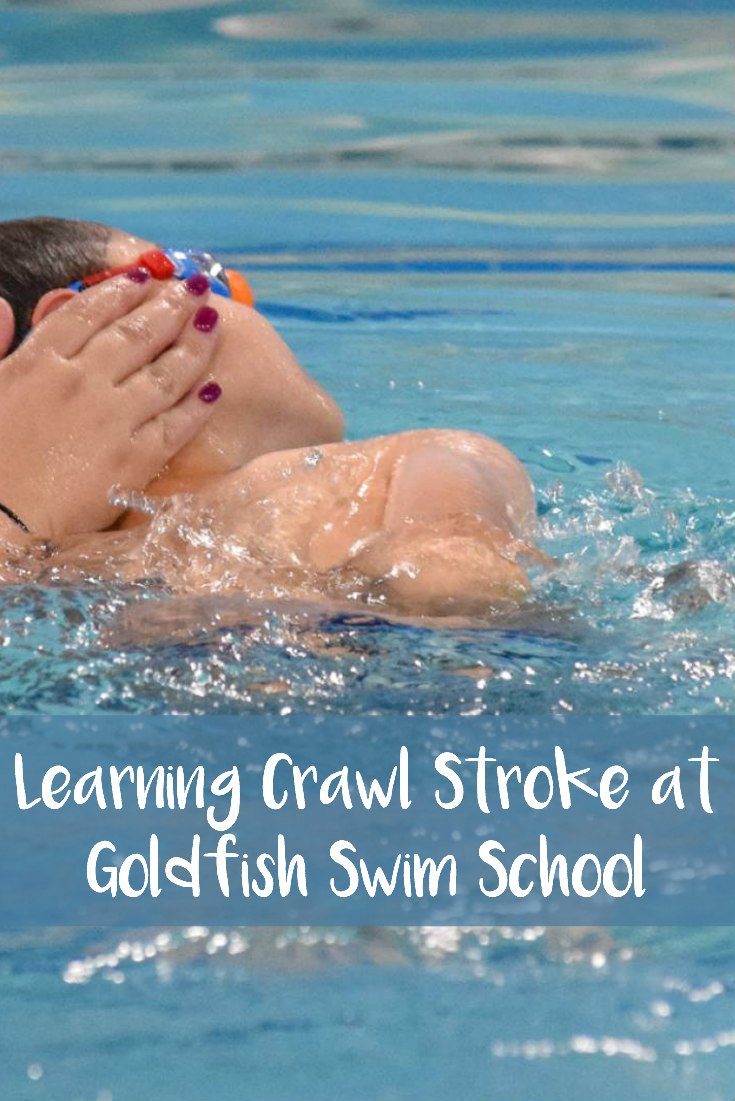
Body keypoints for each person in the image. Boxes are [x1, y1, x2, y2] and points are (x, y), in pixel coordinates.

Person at [0, 217, 536, 618]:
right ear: (82, 322)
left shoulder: (414, 466)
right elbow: (457, 600)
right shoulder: (386, 473)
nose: (244, 297)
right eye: (199, 274)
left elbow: (458, 589)